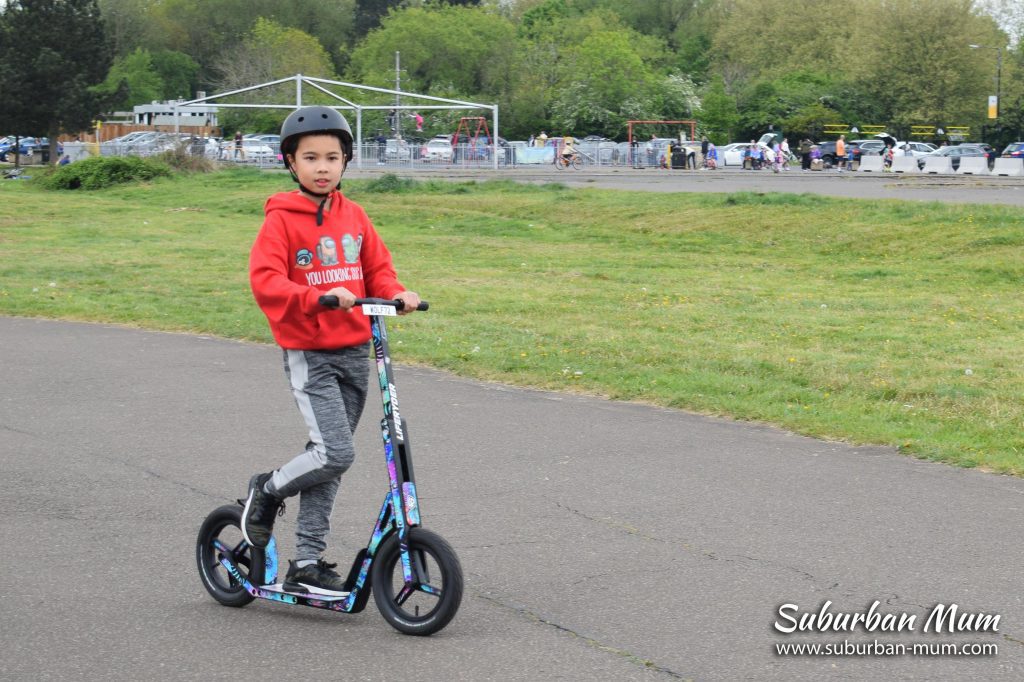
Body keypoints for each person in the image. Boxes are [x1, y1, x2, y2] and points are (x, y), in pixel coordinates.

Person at [243, 105, 422, 596]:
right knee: (336, 453)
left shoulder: (355, 216)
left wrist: (397, 293)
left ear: (345, 162)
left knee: (329, 460)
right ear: (291, 163)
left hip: (355, 351)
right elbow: (266, 281)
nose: (322, 167)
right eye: (310, 158)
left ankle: (306, 560)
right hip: (310, 351)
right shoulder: (282, 220)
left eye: (332, 157)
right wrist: (314, 296)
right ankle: (267, 488)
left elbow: (377, 269)